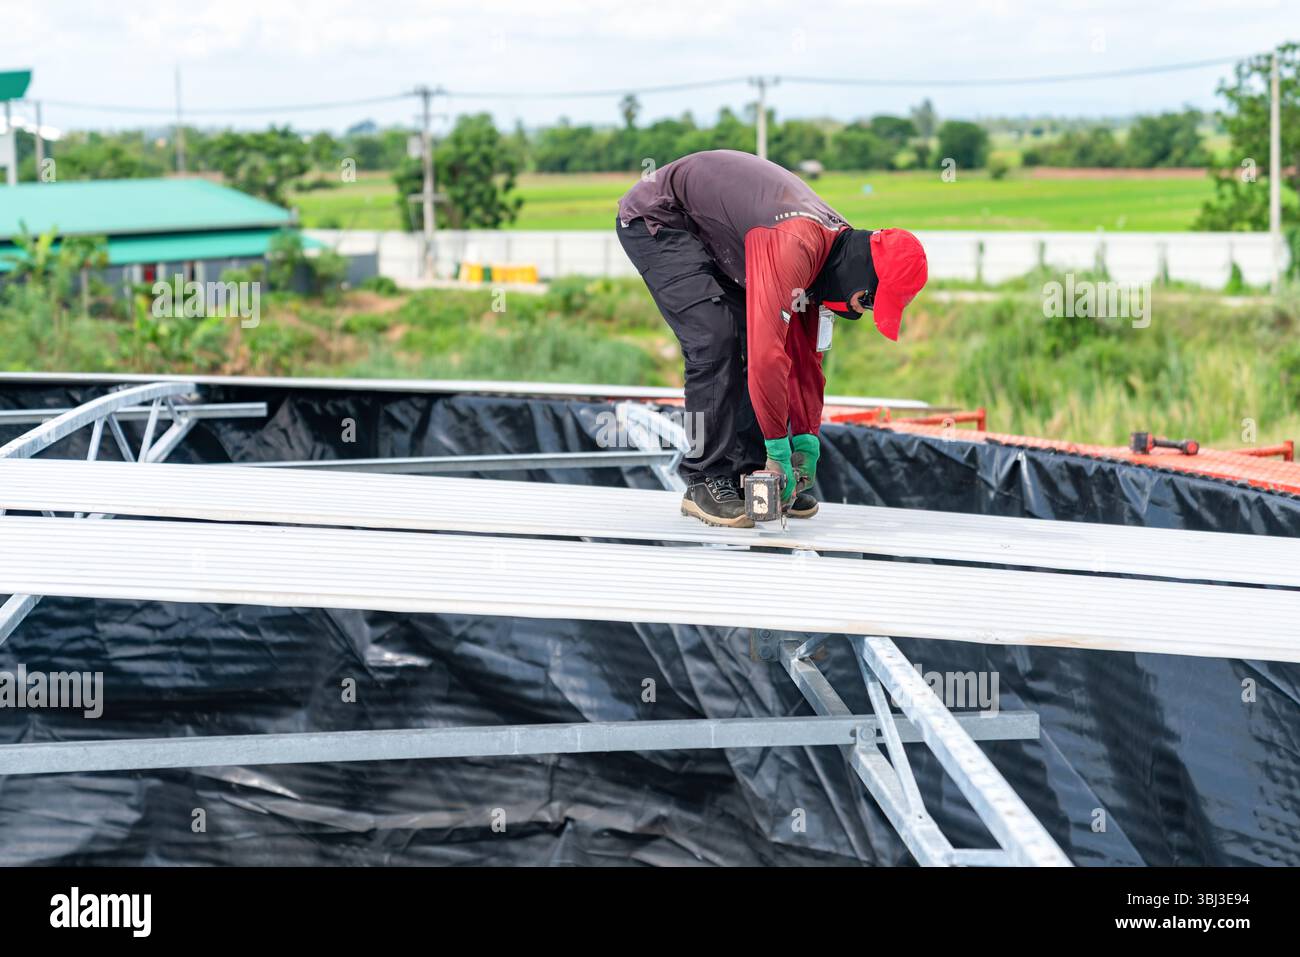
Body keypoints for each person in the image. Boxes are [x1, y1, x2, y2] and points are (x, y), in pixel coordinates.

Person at [616, 149, 928, 527]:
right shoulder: (796, 245)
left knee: (750, 337)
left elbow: (806, 360)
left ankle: (752, 476)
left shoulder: (832, 254)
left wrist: (806, 439)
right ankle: (704, 480)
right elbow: (768, 358)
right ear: (863, 278)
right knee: (714, 340)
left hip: (717, 230)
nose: (861, 313)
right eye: (870, 303)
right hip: (661, 218)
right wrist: (779, 446)